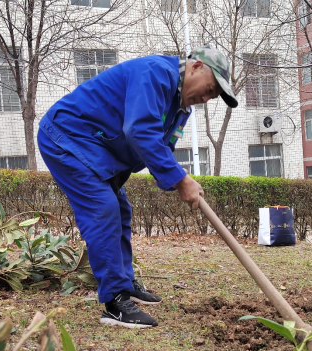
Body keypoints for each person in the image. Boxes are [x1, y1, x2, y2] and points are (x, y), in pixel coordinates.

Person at [38, 45, 238, 328]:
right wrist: (180, 179)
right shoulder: (154, 74)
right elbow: (139, 131)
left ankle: (125, 283)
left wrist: (176, 178)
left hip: (97, 148)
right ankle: (115, 302)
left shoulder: (180, 109)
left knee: (120, 210)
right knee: (103, 209)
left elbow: (160, 148)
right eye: (209, 89)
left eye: (212, 97)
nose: (205, 98)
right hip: (66, 137)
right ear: (195, 67)